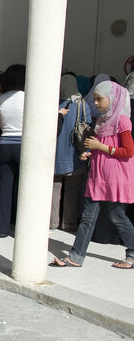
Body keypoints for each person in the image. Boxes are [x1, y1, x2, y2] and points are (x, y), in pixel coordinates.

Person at [51, 81, 134, 269]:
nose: (95, 103)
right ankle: (75, 257)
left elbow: (128, 151)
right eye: (95, 99)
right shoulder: (103, 120)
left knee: (117, 216)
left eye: (99, 99)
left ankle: (132, 253)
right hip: (97, 174)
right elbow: (101, 148)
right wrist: (90, 153)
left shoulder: (121, 120)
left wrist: (100, 147)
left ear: (112, 99)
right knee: (88, 218)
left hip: (114, 177)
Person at [52, 74, 91, 231]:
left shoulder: (54, 103)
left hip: (54, 155)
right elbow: (87, 129)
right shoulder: (83, 105)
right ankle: (68, 224)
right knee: (72, 192)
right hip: (75, 156)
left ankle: (52, 222)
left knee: (54, 191)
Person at [0, 64, 26, 237]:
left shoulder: (0, 98)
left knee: (4, 187)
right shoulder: (27, 97)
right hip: (24, 144)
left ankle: (1, 229)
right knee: (25, 188)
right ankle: (22, 228)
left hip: (4, 144)